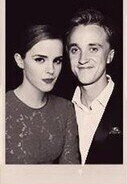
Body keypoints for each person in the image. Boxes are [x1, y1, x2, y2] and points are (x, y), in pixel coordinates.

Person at [6, 24, 80, 164]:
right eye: (40, 59)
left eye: (57, 61)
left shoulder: (65, 109)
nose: (51, 70)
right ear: (20, 61)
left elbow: (70, 170)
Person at [66, 8, 123, 164]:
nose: (82, 59)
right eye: (75, 50)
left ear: (110, 56)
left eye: (93, 49)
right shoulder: (56, 107)